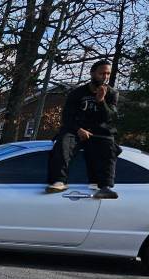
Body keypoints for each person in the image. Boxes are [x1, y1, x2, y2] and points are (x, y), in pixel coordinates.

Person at [46, 60, 120, 198]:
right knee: (64, 142)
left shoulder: (112, 93)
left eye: (108, 73)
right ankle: (59, 181)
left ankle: (104, 187)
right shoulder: (77, 93)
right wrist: (79, 129)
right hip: (76, 130)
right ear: (93, 73)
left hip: (99, 132)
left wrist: (101, 101)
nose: (105, 76)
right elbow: (67, 117)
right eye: (102, 73)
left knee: (109, 145)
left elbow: (110, 118)